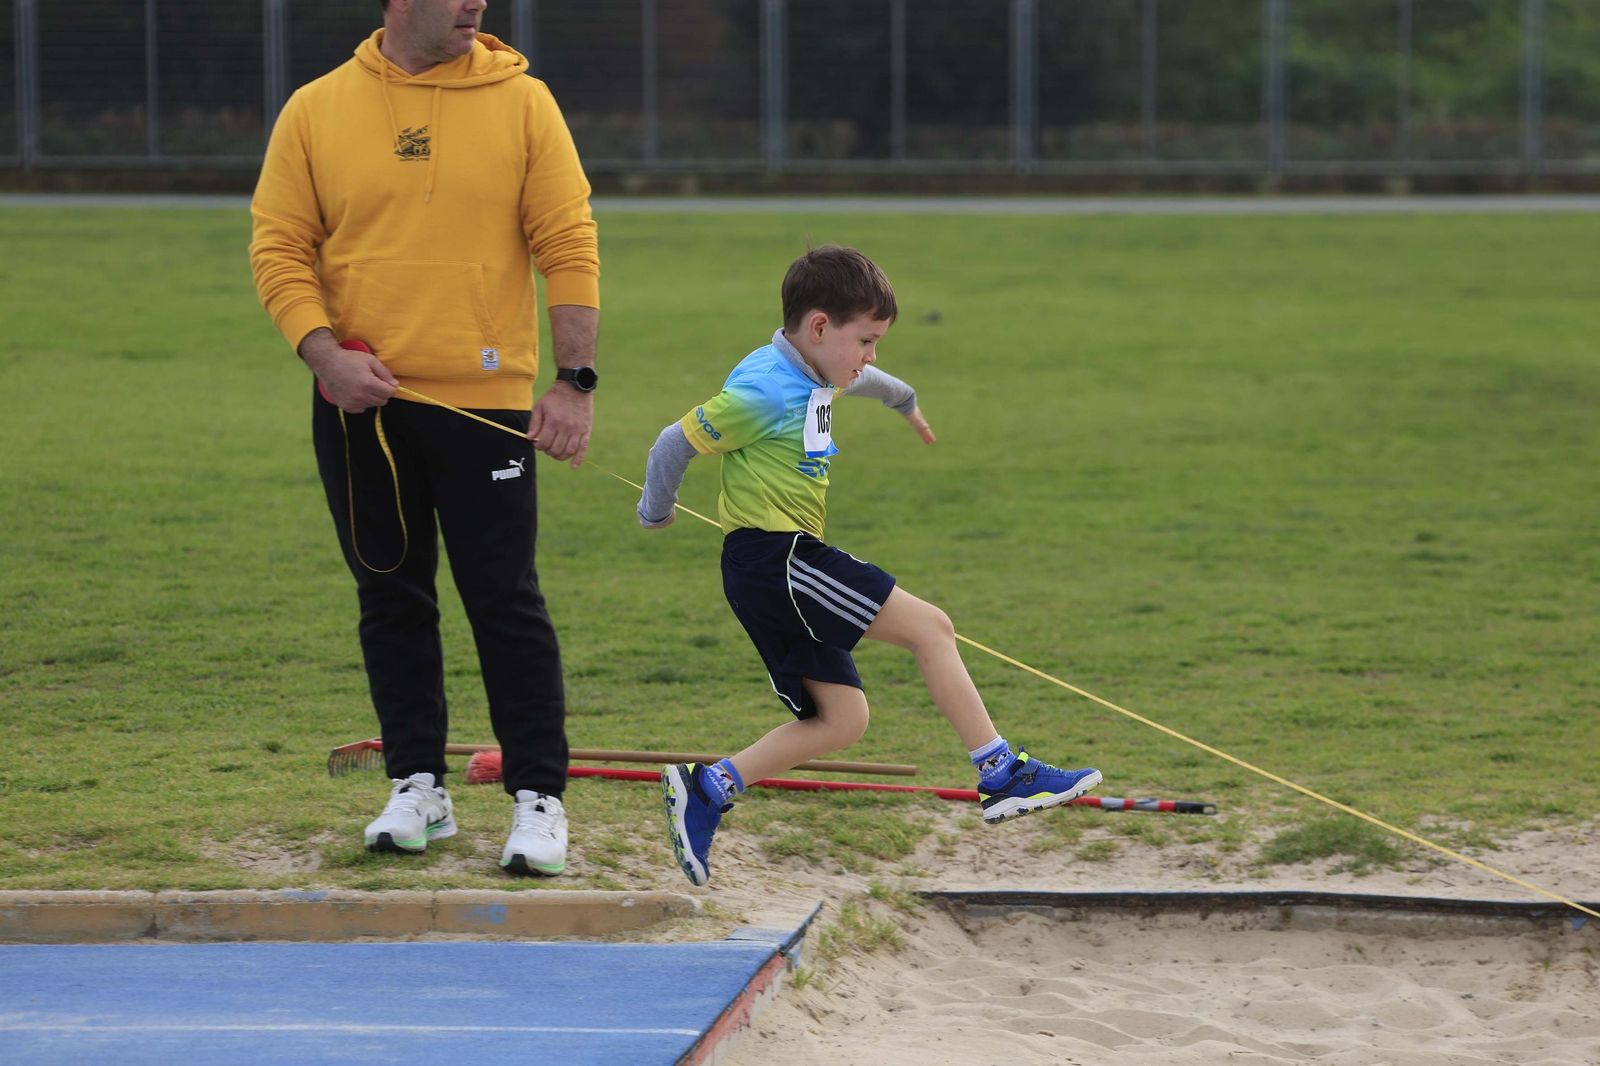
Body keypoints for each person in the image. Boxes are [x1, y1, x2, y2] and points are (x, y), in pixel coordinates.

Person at [249, 0, 599, 876]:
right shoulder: (315, 108)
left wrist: (573, 380)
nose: (475, 2)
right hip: (360, 404)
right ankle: (417, 787)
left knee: (504, 598)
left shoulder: (526, 102)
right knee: (390, 596)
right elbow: (280, 246)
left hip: (487, 404)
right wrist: (323, 353)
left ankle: (539, 799)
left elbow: (568, 241)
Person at [636, 245, 1101, 886]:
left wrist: (904, 400)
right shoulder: (764, 390)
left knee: (843, 719)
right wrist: (655, 511)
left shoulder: (813, 367)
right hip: (780, 559)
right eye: (867, 339)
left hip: (769, 568)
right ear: (821, 327)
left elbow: (860, 380)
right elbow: (671, 443)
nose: (871, 355)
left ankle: (708, 789)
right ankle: (1001, 771)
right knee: (931, 627)